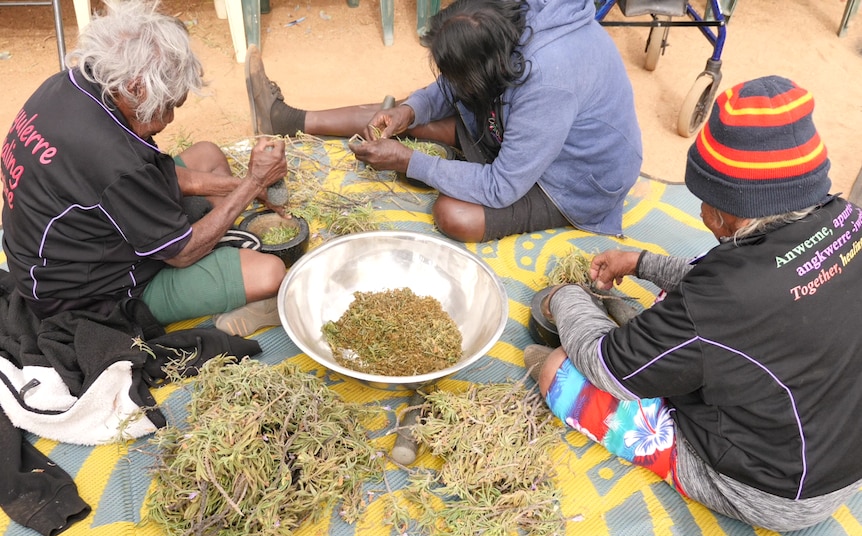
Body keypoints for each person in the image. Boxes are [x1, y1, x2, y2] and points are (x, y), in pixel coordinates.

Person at [524, 75, 862, 532]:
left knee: (561, 370)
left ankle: (638, 349)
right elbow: (756, 292)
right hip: (841, 448)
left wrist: (563, 299)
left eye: (703, 199)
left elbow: (607, 366)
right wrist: (641, 262)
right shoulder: (847, 219)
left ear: (731, 211)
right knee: (697, 298)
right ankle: (660, 341)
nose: (701, 211)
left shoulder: (723, 296)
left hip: (774, 489)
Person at [0, 0, 289, 337]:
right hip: (86, 296)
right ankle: (243, 290)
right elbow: (181, 254)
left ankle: (221, 236)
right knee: (269, 272)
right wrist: (252, 183)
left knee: (207, 154)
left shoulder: (70, 85)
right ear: (136, 86)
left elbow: (139, 176)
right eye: (167, 106)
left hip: (61, 246)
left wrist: (245, 186)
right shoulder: (115, 161)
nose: (168, 120)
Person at [244, 0, 642, 243]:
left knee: (454, 215)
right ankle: (285, 118)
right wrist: (408, 111)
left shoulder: (550, 80)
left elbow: (502, 186)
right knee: (401, 117)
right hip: (522, 133)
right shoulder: (504, 19)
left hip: (570, 181)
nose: (451, 84)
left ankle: (432, 151)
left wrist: (408, 162)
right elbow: (452, 87)